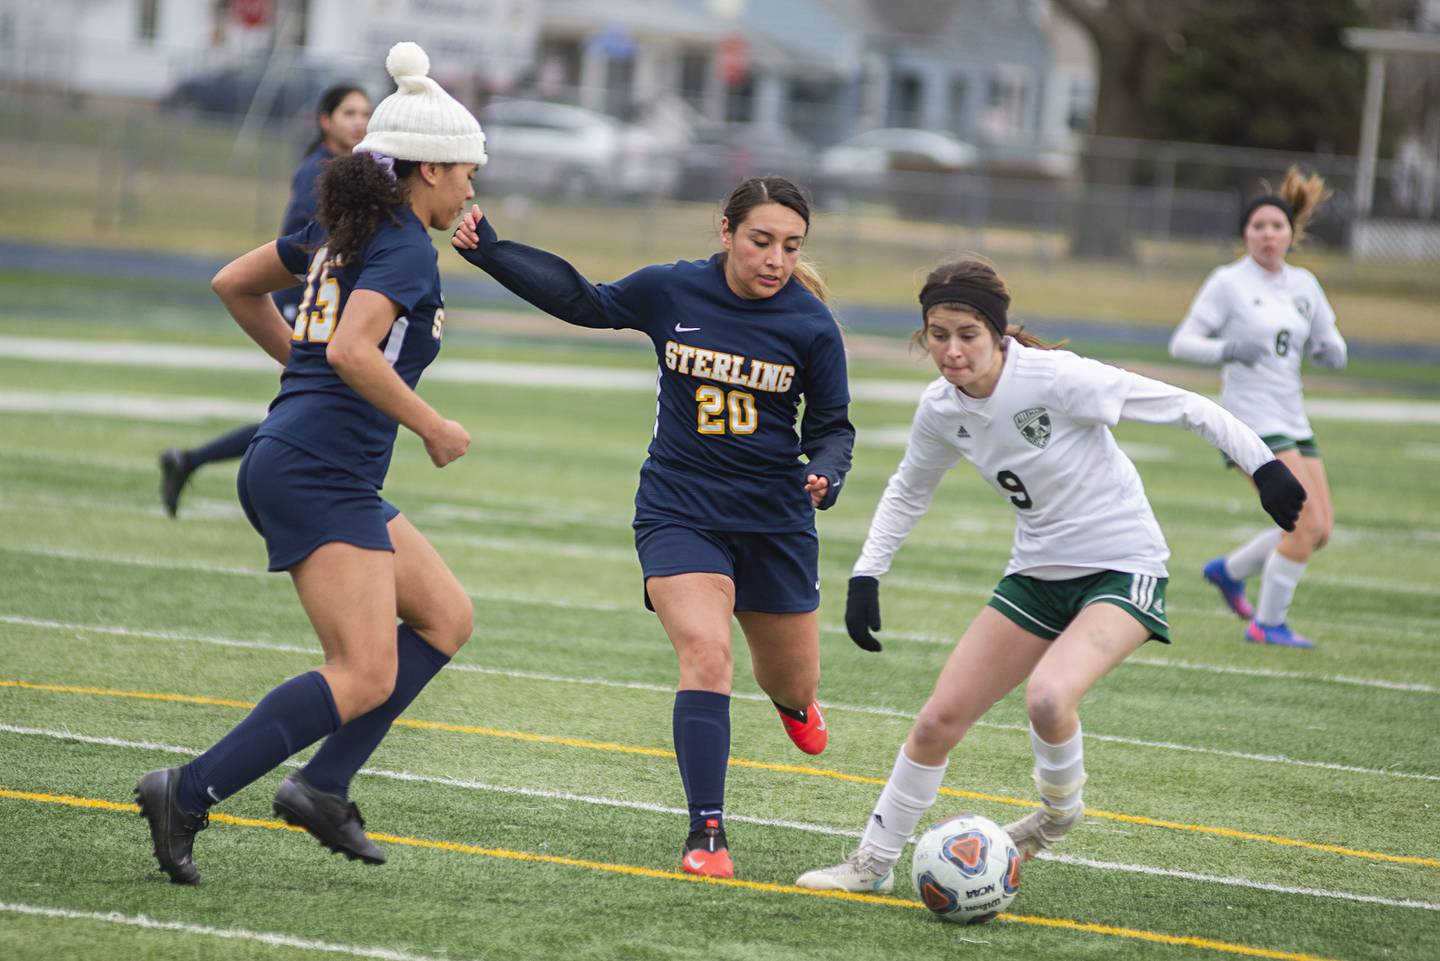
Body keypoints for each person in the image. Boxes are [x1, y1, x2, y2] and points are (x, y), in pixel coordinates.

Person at [793, 259, 1305, 894]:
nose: (951, 351)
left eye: (967, 335)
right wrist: (867, 574)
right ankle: (871, 865)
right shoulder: (940, 409)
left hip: (1123, 568)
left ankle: (1058, 815)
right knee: (936, 721)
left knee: (1048, 697)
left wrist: (1265, 468)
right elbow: (907, 491)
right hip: (1036, 573)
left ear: (999, 333)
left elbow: (1188, 408)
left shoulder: (1058, 379)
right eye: (937, 335)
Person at [135, 42, 486, 885]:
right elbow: (357, 354)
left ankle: (323, 784)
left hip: (308, 458)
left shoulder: (351, 227)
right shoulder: (401, 247)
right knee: (363, 671)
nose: (474, 186)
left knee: (444, 617)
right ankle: (186, 788)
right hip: (315, 469)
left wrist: (300, 359)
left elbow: (234, 283)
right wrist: (432, 425)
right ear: (430, 169)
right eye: (470, 170)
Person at [450, 175, 854, 879]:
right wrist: (491, 251)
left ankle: (794, 703)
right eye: (761, 241)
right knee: (706, 652)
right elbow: (587, 300)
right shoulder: (672, 290)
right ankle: (707, 835)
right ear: (724, 232)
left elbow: (832, 430)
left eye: (791, 247)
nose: (775, 260)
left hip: (773, 525)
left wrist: (826, 469)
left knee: (790, 679)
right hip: (680, 508)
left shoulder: (811, 325)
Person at [158, 83, 373, 517]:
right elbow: (301, 244)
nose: (359, 121)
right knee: (302, 413)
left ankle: (191, 461)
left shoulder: (351, 170)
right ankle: (286, 489)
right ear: (324, 120)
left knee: (312, 414)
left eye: (364, 113)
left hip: (324, 307)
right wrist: (299, 309)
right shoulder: (316, 170)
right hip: (306, 307)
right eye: (348, 112)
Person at [1169, 166, 1345, 649]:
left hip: (1293, 417)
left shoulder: (1304, 284)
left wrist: (1334, 352)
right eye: (1258, 227)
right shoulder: (1227, 282)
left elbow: (1331, 339)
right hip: (1250, 420)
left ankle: (1229, 572)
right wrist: (1228, 349)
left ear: (1292, 234)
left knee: (1321, 529)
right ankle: (1267, 625)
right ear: (1245, 234)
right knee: (1303, 524)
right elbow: (1182, 343)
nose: (1267, 235)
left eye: (1276, 227)